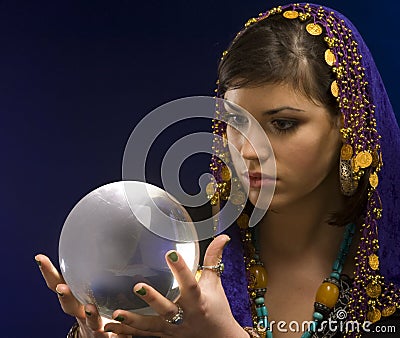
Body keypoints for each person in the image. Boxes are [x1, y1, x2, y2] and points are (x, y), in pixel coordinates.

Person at [35, 3, 400, 337]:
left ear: (348, 124)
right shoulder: (173, 244)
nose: (246, 151)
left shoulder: (389, 267)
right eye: (235, 123)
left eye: (283, 124)